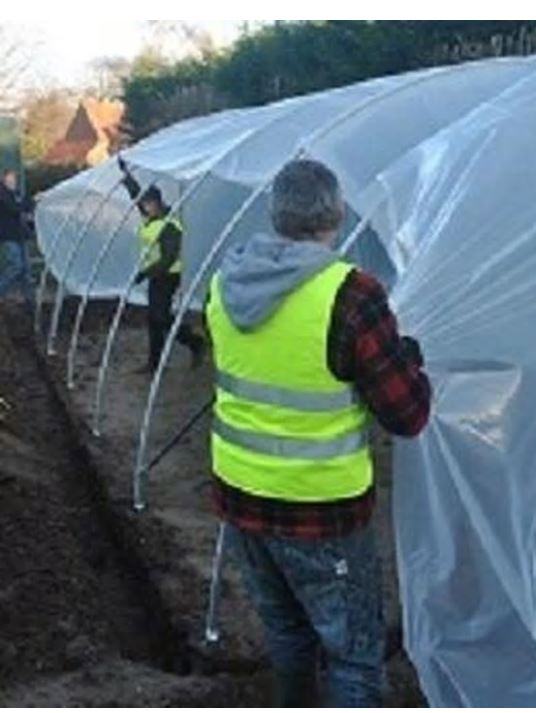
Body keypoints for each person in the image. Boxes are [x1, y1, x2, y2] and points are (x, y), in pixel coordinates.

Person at [205, 159, 431, 706]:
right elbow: (407, 415)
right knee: (353, 654)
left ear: (276, 215)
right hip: (320, 510)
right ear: (335, 213)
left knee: (288, 633)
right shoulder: (352, 295)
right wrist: (407, 362)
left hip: (239, 499)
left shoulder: (225, 283)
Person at [117, 155, 205, 374]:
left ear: (158, 203)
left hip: (168, 275)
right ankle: (154, 363)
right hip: (156, 275)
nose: (145, 208)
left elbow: (168, 257)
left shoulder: (169, 224)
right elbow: (136, 197)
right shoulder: (151, 217)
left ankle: (194, 341)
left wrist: (145, 273)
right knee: (154, 320)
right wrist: (127, 175)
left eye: (149, 204)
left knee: (160, 317)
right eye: (144, 205)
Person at [0, 168, 34, 304]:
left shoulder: (16, 193)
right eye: (11, 178)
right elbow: (15, 208)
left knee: (26, 270)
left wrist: (33, 201)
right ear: (4, 179)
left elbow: (27, 204)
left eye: (15, 178)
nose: (14, 181)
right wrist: (28, 203)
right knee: (16, 265)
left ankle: (29, 300)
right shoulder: (2, 194)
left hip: (19, 235)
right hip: (8, 236)